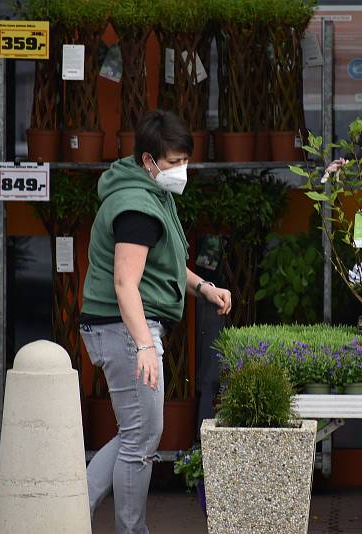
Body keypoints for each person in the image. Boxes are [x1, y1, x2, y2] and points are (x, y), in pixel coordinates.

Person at [80, 109, 231, 534]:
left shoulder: (148, 192)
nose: (182, 171)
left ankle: (72, 512)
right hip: (125, 327)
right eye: (174, 163)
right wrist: (145, 344)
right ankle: (129, 530)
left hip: (123, 327)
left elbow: (161, 265)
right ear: (149, 162)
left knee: (137, 432)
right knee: (142, 438)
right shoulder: (137, 208)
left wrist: (203, 287)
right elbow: (126, 282)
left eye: (185, 160)